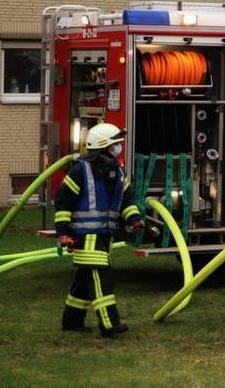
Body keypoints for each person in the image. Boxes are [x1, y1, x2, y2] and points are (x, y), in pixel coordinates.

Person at [54, 123, 145, 337]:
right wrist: (63, 233)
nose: (118, 148)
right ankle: (110, 324)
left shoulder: (118, 172)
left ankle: (72, 321)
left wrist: (134, 219)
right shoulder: (80, 170)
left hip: (105, 236)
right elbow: (63, 202)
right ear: (103, 146)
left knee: (83, 283)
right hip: (86, 237)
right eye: (115, 144)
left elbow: (127, 201)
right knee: (102, 280)